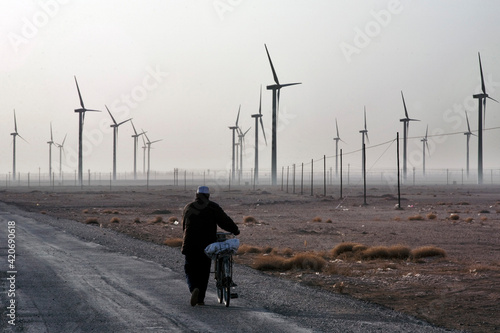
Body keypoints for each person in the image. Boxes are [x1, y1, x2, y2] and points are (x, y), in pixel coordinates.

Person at [181, 186, 240, 306]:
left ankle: (193, 289)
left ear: (196, 195)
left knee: (190, 269)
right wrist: (235, 230)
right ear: (208, 196)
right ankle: (201, 298)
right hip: (207, 245)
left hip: (190, 244)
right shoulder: (213, 207)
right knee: (204, 271)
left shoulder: (188, 207)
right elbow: (225, 221)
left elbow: (184, 227)